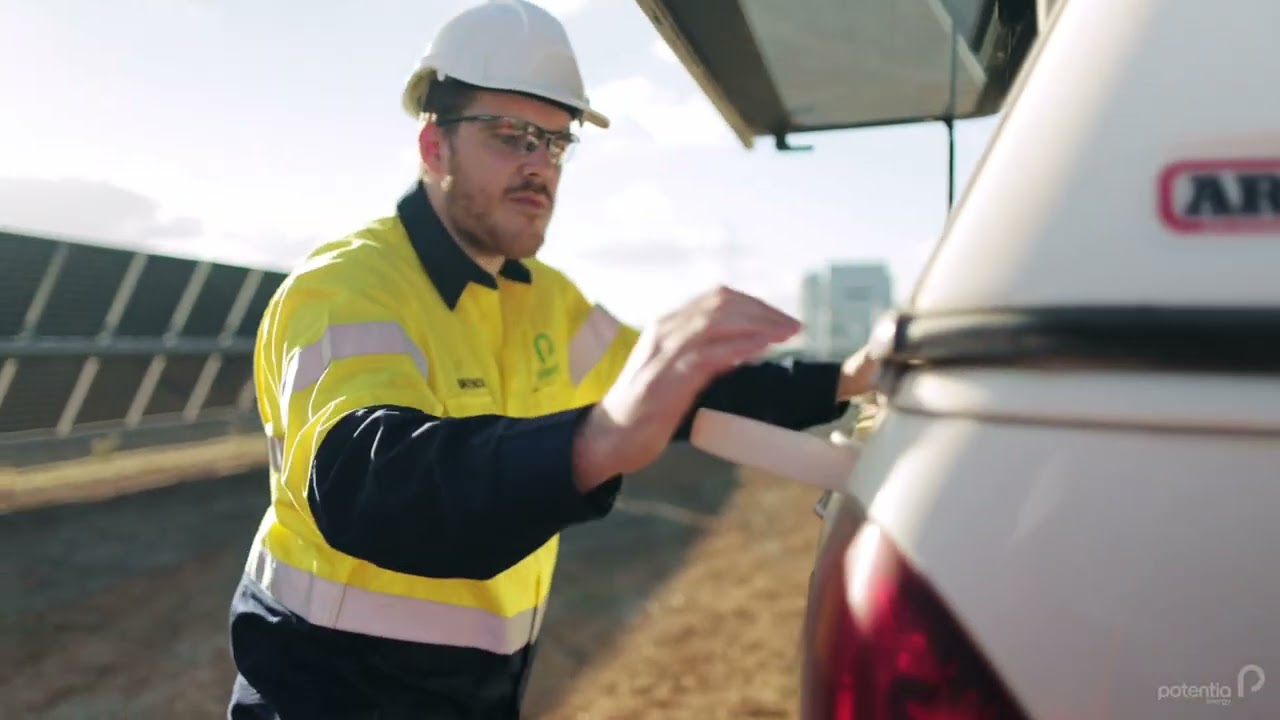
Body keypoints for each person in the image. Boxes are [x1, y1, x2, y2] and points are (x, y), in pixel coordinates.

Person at [225, 1, 879, 717]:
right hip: (327, 695)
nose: (538, 165)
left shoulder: (546, 299)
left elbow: (675, 391)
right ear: (434, 146)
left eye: (556, 143)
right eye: (510, 136)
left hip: (478, 695)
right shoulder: (347, 289)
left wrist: (847, 377)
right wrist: (595, 441)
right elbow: (371, 483)